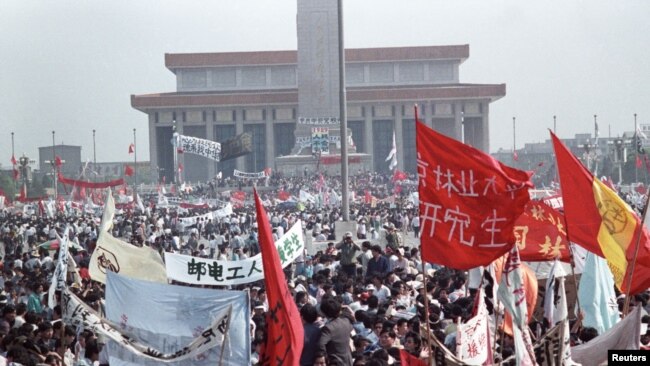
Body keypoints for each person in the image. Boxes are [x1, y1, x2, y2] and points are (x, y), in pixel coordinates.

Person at [317, 295, 353, 366]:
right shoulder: (346, 321)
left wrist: (326, 358)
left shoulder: (328, 328)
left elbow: (320, 344)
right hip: (348, 360)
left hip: (336, 362)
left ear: (324, 312)